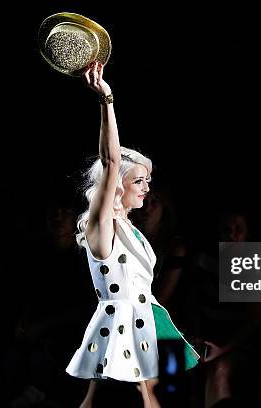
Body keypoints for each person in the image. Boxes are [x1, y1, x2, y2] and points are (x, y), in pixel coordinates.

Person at [65, 62, 199, 408]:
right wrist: (106, 99)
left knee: (147, 397)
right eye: (139, 180)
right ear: (117, 186)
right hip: (119, 322)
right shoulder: (101, 225)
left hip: (145, 318)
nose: (147, 188)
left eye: (148, 180)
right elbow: (110, 160)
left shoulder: (131, 229)